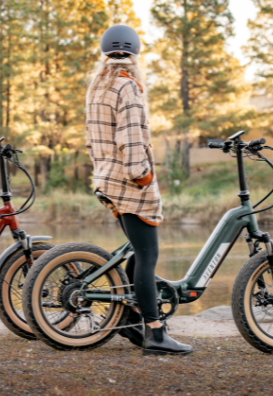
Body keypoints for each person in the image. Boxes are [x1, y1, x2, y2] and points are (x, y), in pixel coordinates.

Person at [86, 25, 193, 355]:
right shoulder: (127, 88)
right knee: (147, 255)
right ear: (135, 55)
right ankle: (155, 332)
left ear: (106, 54)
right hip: (129, 181)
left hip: (107, 178)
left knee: (136, 251)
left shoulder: (98, 88)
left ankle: (131, 322)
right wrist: (143, 177)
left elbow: (93, 141)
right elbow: (131, 141)